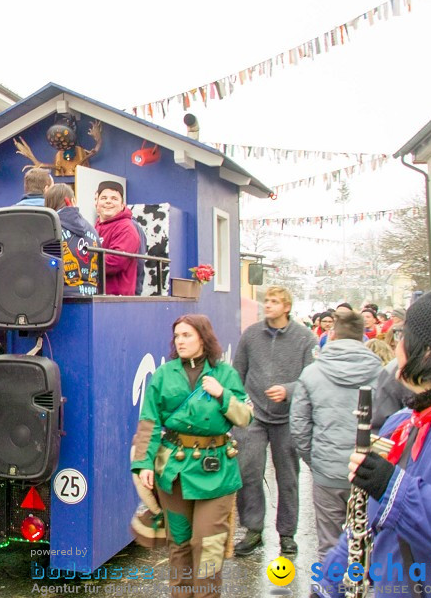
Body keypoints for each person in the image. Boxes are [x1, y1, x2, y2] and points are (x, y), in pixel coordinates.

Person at [314, 277, 431, 597]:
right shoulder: (402, 423)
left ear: (427, 352)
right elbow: (364, 525)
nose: (396, 344)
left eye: (403, 335)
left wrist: (396, 491)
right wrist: (329, 584)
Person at [132, 314, 252, 595]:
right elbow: (149, 421)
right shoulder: (165, 374)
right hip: (174, 471)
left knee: (208, 543)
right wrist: (144, 463)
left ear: (203, 337)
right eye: (177, 336)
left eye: (187, 335)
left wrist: (223, 395)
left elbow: (245, 418)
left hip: (216, 471)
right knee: (180, 543)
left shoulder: (224, 374)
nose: (181, 341)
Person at [289, 308, 383, 559]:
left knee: (329, 545)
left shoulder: (312, 373)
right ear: (361, 336)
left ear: (332, 334)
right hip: (369, 470)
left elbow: (299, 425)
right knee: (367, 542)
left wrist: (315, 461)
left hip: (327, 470)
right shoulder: (380, 373)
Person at [233, 286, 317, 557]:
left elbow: (312, 377)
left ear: (287, 307)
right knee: (248, 471)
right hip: (254, 415)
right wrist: (242, 401)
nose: (267, 305)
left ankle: (287, 534)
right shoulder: (251, 335)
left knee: (288, 477)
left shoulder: (305, 338)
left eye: (274, 301)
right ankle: (253, 529)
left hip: (288, 418)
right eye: (266, 301)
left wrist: (289, 391)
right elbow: (237, 372)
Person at [44, 184, 101, 297]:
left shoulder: (48, 227)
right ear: (72, 200)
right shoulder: (92, 230)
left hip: (59, 298)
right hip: (91, 296)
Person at [93, 180, 143, 296]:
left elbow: (114, 262)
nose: (108, 201)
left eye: (114, 198)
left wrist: (83, 261)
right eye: (104, 198)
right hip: (97, 297)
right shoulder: (94, 227)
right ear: (97, 203)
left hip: (117, 301)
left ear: (122, 205)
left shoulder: (126, 229)